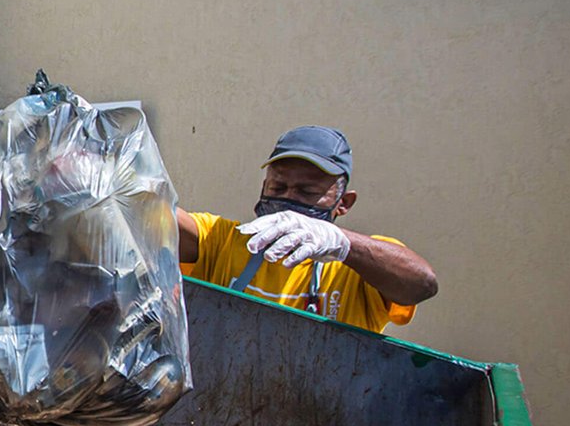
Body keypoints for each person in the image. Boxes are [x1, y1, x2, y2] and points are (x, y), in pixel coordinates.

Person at [177, 126, 437, 333]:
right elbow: (154, 219)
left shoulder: (356, 268)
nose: (288, 199)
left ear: (343, 203)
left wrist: (342, 244)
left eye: (307, 191)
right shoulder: (222, 240)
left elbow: (422, 284)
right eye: (277, 188)